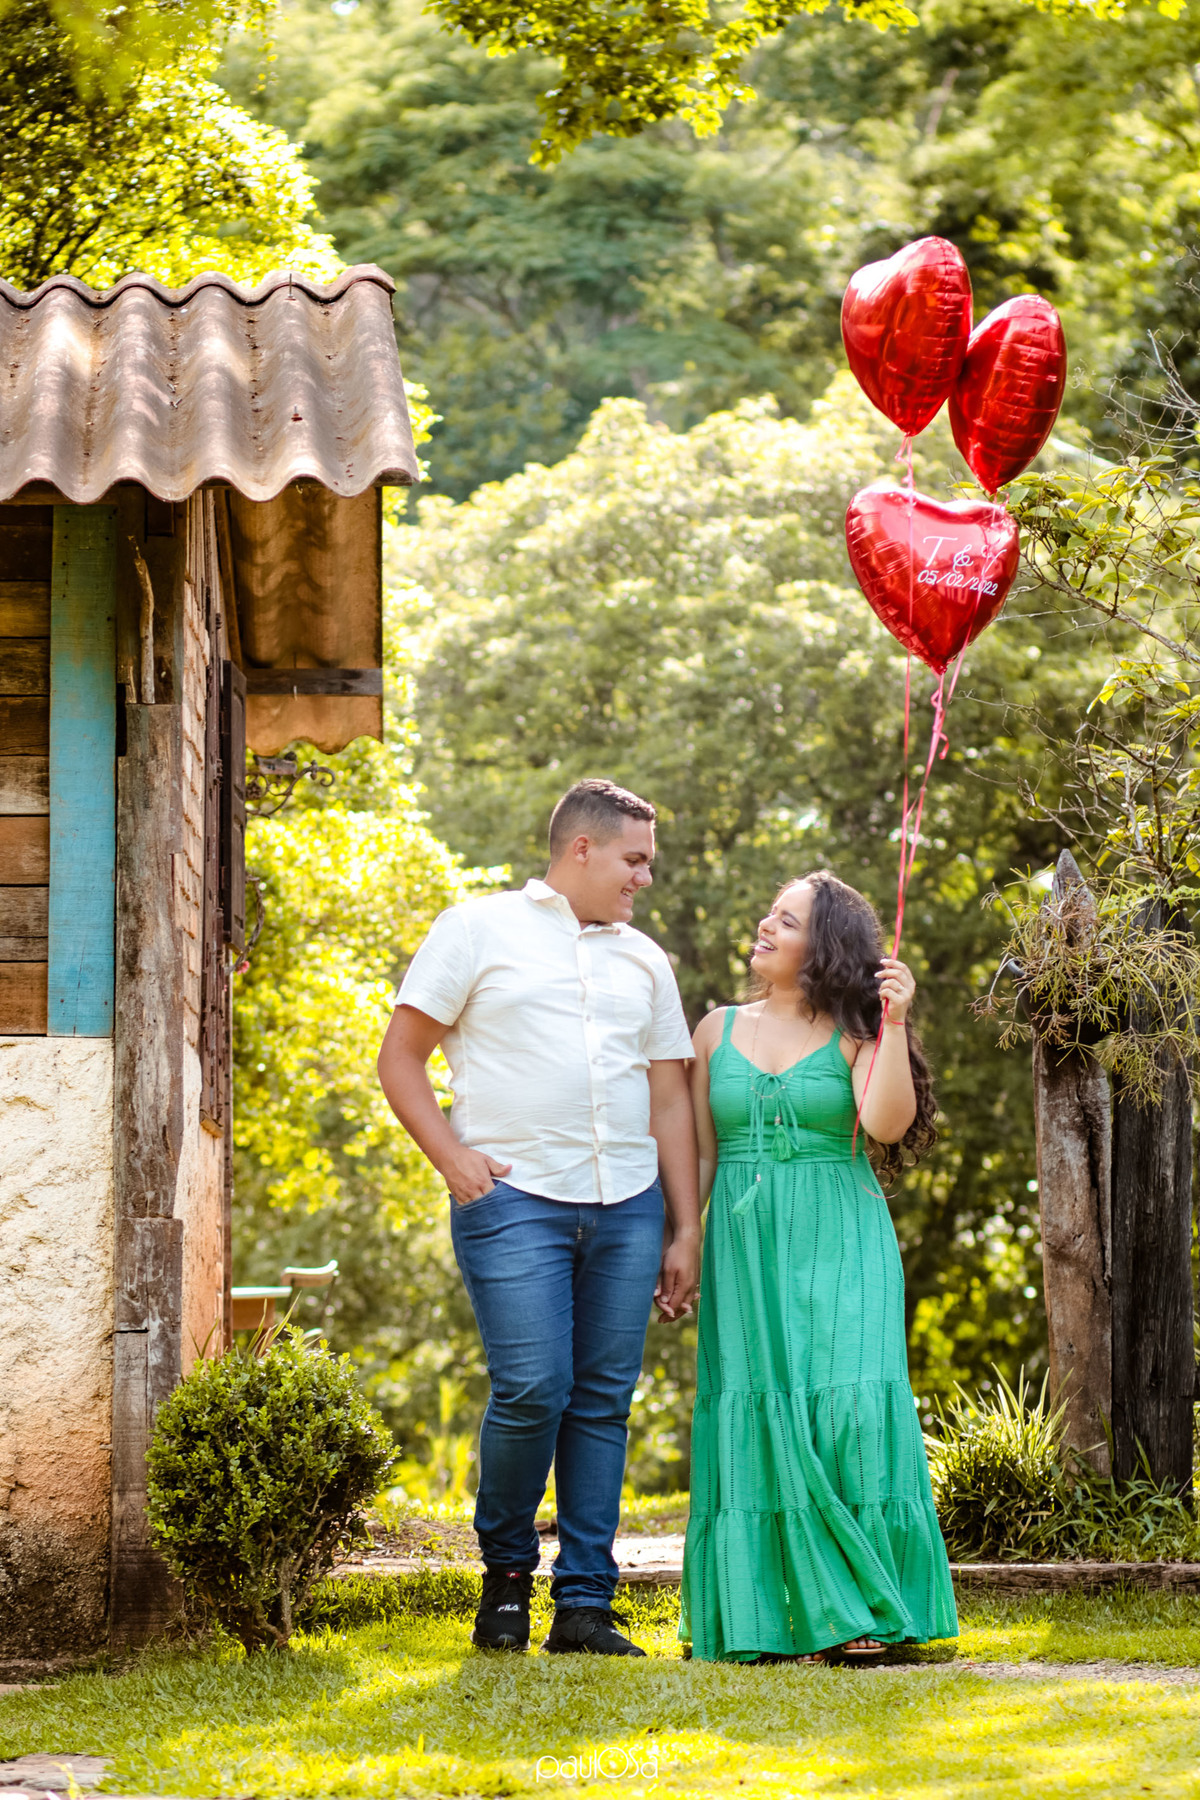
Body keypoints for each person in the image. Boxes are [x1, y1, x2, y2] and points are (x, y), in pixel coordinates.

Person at [378, 778, 701, 1658]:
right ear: (582, 849)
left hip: (627, 1206)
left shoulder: (647, 961)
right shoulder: (476, 929)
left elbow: (670, 1101)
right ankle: (508, 1580)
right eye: (635, 860)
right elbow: (400, 1058)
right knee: (531, 1388)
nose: (644, 879)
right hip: (514, 1201)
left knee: (601, 1402)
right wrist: (453, 1159)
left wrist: (684, 1227)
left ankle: (586, 1605)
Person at [679, 871, 958, 1665]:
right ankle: (771, 1618)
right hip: (745, 1253)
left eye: (787, 919)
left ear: (824, 945)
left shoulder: (856, 1034)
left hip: (843, 1241)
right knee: (758, 1407)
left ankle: (866, 1606)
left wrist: (894, 1021)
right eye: (769, 913)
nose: (765, 926)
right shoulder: (714, 1031)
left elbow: (887, 1123)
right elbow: (699, 1156)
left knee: (849, 1410)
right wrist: (683, 1241)